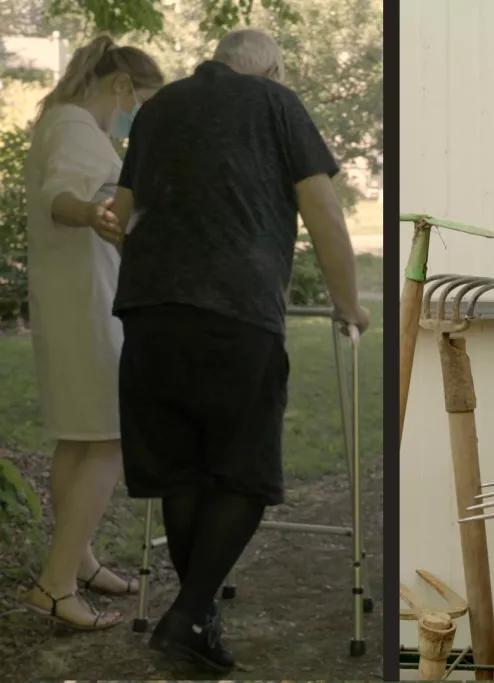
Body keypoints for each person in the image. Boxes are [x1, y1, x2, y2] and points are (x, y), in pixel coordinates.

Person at [100, 29, 370, 672]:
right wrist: (347, 302)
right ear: (271, 68)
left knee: (183, 469)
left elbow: (120, 216)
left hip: (148, 310)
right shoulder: (276, 103)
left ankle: (197, 620)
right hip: (236, 310)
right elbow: (324, 212)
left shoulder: (158, 108)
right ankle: (189, 612)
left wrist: (155, 274)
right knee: (244, 473)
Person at [22, 35, 165, 630]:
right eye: (145, 104)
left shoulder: (64, 121)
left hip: (70, 303)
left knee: (79, 441)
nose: (143, 120)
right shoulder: (79, 128)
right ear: (121, 86)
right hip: (88, 309)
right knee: (109, 439)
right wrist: (91, 213)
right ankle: (55, 584)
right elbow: (62, 198)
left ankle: (75, 561)